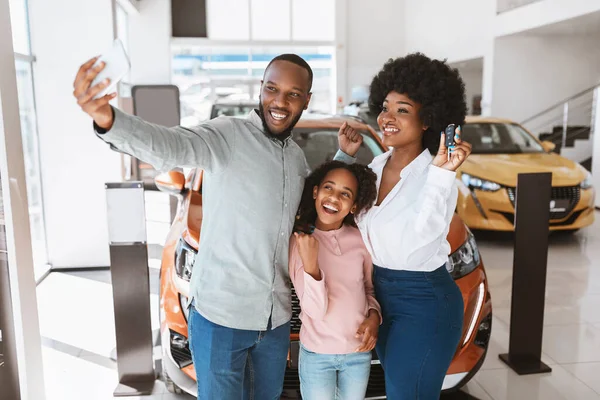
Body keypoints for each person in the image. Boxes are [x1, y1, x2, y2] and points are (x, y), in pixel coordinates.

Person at [72, 54, 314, 399]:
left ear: (306, 99)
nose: (279, 101)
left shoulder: (296, 158)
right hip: (222, 321)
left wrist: (345, 160)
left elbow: (324, 204)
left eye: (293, 94)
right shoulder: (228, 135)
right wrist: (108, 119)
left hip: (275, 324)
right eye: (272, 89)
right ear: (261, 88)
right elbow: (171, 145)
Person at [335, 53, 473, 399]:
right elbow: (334, 215)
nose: (387, 118)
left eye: (403, 109)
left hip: (424, 301)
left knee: (407, 394)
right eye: (385, 107)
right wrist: (345, 157)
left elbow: (419, 240)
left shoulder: (437, 175)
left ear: (428, 119)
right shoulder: (376, 166)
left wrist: (443, 173)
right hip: (381, 297)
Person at [289, 160, 380, 400]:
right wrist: (312, 266)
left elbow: (369, 290)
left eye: (345, 193)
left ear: (353, 206)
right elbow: (315, 310)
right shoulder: (300, 242)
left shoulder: (360, 240)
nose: (334, 198)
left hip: (358, 353)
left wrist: (374, 316)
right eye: (328, 188)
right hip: (318, 355)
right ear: (315, 192)